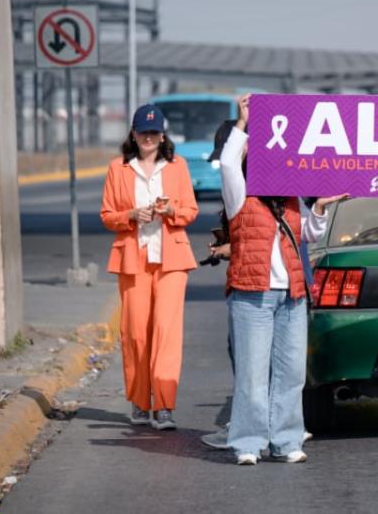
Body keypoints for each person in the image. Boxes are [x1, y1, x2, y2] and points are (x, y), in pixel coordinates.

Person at [219, 94, 345, 466]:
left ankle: (286, 441)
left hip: (292, 295)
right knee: (253, 377)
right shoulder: (240, 197)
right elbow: (227, 162)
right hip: (251, 296)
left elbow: (309, 233)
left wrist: (320, 208)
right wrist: (243, 123)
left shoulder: (292, 200)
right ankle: (247, 442)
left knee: (291, 375)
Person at [100, 104, 199, 430]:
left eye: (154, 132)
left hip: (171, 260)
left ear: (163, 135)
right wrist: (130, 216)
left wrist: (170, 209)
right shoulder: (119, 169)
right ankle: (140, 402)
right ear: (133, 132)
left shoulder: (177, 166)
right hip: (133, 259)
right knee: (136, 335)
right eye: (143, 131)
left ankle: (164, 406)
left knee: (166, 334)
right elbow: (107, 215)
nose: (148, 137)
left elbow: (190, 210)